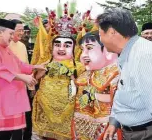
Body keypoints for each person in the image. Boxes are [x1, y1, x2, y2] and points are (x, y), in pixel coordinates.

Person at [0, 18, 45, 140]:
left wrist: (36, 67)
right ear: (0, 32)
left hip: (13, 100)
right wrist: (23, 78)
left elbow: (20, 65)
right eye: (10, 33)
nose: (12, 37)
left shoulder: (7, 49)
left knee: (10, 133)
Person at [95, 8, 152, 140]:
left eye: (100, 34)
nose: (100, 40)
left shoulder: (144, 56)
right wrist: (114, 121)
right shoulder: (128, 52)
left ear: (112, 32)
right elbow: (125, 91)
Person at [31, 10, 85, 140]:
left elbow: (84, 89)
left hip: (68, 112)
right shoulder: (44, 63)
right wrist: (42, 71)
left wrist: (71, 75)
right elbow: (34, 80)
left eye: (67, 45)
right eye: (57, 45)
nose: (61, 49)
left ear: (74, 48)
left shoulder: (80, 66)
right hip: (44, 109)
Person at [73, 31, 122, 140]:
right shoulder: (87, 72)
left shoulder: (116, 72)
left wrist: (93, 96)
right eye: (82, 49)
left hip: (107, 122)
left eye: (89, 48)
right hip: (84, 121)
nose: (84, 54)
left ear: (108, 51)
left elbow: (118, 99)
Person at [8, 19, 33, 140]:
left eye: (23, 30)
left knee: (20, 122)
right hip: (7, 89)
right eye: (20, 30)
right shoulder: (5, 46)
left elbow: (26, 65)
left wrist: (31, 86)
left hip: (22, 88)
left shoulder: (22, 46)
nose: (22, 33)